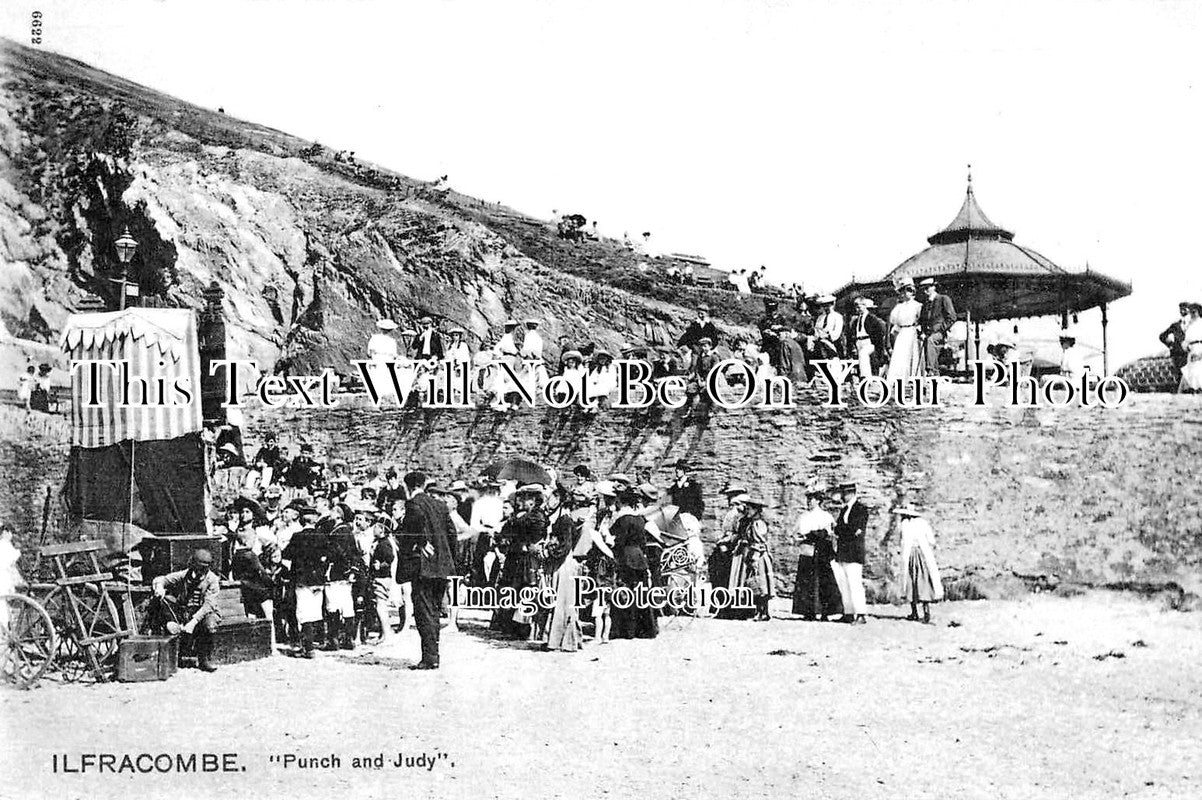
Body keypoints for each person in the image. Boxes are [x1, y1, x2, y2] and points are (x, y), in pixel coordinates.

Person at [397, 471, 458, 669]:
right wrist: (448, 559)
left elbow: (409, 533)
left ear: (408, 487)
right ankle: (434, 655)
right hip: (441, 566)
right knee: (434, 611)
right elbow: (452, 534)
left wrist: (419, 543)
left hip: (423, 567)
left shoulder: (413, 505)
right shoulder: (440, 505)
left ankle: (429, 657)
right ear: (424, 485)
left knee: (423, 611)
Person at [152, 549, 221, 672]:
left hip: (205, 613)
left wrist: (193, 622)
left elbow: (208, 605)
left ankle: (204, 659)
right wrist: (159, 588)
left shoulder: (213, 579)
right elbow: (162, 579)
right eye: (198, 568)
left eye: (204, 569)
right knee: (165, 600)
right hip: (186, 611)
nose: (200, 572)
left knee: (209, 625)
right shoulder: (185, 574)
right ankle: (175, 650)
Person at [609, 489, 659, 639]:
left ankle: (627, 630)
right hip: (639, 558)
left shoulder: (623, 519)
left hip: (626, 557)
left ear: (622, 503)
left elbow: (619, 541)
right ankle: (645, 629)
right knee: (640, 593)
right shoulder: (640, 519)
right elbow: (643, 543)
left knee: (625, 593)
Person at [791, 485, 841, 621]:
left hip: (821, 552)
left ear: (818, 500)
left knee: (824, 581)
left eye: (812, 499)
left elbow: (830, 534)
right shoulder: (803, 517)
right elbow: (796, 534)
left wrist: (819, 535)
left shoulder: (825, 516)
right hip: (807, 551)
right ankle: (808, 611)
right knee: (806, 582)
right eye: (808, 499)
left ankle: (826, 612)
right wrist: (802, 539)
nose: (809, 502)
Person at [896, 505, 943, 624]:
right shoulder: (922, 523)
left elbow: (901, 541)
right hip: (922, 555)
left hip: (911, 555)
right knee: (923, 581)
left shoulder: (904, 524)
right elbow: (931, 540)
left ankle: (915, 612)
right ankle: (925, 612)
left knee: (911, 581)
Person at [830, 482, 869, 624]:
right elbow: (841, 529)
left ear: (850, 493)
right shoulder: (845, 509)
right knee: (844, 583)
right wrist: (842, 530)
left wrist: (842, 530)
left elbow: (855, 531)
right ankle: (848, 613)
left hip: (854, 552)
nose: (842, 496)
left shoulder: (861, 509)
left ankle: (860, 614)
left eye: (844, 494)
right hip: (843, 551)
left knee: (854, 583)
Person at [731, 498, 775, 621]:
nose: (747, 511)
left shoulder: (758, 524)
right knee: (756, 584)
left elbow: (760, 542)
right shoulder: (752, 523)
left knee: (760, 584)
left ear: (756, 510)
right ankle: (760, 612)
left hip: (758, 556)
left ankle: (762, 612)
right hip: (753, 555)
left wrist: (754, 557)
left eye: (750, 509)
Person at [918, 278, 956, 376]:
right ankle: (931, 372)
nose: (926, 290)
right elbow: (922, 321)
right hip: (928, 333)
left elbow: (952, 317)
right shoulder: (925, 304)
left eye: (928, 287)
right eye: (924, 288)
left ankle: (931, 370)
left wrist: (940, 328)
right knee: (923, 342)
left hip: (940, 333)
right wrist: (922, 332)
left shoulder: (943, 299)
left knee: (931, 340)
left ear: (934, 287)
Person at [845, 295, 889, 379]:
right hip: (859, 341)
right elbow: (852, 334)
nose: (857, 309)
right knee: (861, 359)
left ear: (865, 306)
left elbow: (879, 333)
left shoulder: (872, 319)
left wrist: (878, 347)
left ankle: (865, 377)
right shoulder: (856, 321)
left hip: (868, 341)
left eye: (859, 307)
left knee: (863, 354)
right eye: (856, 307)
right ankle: (862, 376)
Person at [886, 280, 923, 380]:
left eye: (908, 290)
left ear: (912, 292)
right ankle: (899, 379)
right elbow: (895, 321)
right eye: (903, 291)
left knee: (912, 355)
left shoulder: (918, 306)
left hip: (912, 331)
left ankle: (913, 379)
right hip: (902, 333)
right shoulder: (899, 307)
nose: (905, 293)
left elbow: (920, 320)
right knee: (900, 355)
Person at [1159, 302, 1192, 388]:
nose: (1182, 311)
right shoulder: (1175, 325)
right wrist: (1170, 344)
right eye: (1181, 309)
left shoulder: (1194, 324)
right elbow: (1162, 336)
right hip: (1178, 352)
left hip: (1191, 352)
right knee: (1179, 373)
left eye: (1185, 309)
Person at [809, 296, 844, 360]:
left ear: (833, 304)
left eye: (828, 305)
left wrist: (826, 335)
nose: (826, 308)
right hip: (820, 344)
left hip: (833, 343)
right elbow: (817, 330)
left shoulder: (837, 317)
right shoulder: (820, 317)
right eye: (824, 306)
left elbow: (836, 333)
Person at [1180, 302, 1202, 393]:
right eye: (1191, 312)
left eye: (1194, 312)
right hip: (1191, 350)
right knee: (1191, 370)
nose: (1192, 314)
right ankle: (1193, 390)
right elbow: (1186, 340)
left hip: (1200, 348)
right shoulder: (1189, 325)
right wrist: (1186, 346)